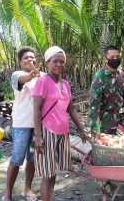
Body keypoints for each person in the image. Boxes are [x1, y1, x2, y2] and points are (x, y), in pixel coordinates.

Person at [33, 46, 87, 201]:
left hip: (63, 132)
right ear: (47, 63)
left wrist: (81, 131)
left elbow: (71, 110)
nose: (59, 64)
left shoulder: (65, 84)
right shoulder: (43, 81)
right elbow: (36, 109)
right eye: (55, 61)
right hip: (47, 131)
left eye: (62, 62)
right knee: (47, 175)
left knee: (53, 173)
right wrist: (37, 135)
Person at [4, 46, 41, 201]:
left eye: (32, 57)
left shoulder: (42, 76)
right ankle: (8, 193)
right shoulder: (17, 74)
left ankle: (27, 189)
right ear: (20, 62)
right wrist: (31, 75)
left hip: (36, 126)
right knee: (16, 159)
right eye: (26, 58)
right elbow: (22, 80)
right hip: (21, 125)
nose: (30, 60)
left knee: (31, 159)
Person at [89, 45, 124, 136]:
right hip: (106, 118)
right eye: (112, 57)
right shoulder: (99, 77)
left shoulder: (120, 76)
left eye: (117, 57)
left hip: (119, 114)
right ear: (105, 59)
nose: (115, 59)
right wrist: (95, 128)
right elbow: (94, 105)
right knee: (108, 143)